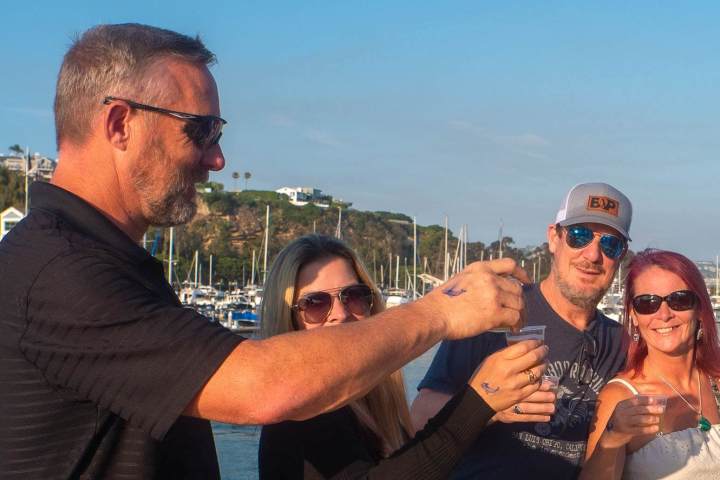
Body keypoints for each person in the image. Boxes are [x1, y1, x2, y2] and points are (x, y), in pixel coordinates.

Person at [0, 24, 530, 479]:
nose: (218, 158)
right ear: (119, 124)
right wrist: (442, 311)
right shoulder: (59, 271)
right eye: (200, 130)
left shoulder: (103, 264)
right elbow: (265, 387)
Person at [257, 234, 550, 479]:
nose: (341, 315)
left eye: (354, 296)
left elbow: (415, 461)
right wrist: (479, 399)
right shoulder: (300, 411)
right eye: (316, 303)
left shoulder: (369, 402)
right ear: (288, 319)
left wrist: (491, 410)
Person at [410, 182, 633, 479]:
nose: (593, 255)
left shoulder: (621, 344)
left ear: (621, 255)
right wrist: (490, 407)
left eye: (610, 244)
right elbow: (419, 415)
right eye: (579, 236)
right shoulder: (496, 313)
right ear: (554, 238)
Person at [581, 249, 720, 479]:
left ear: (699, 308)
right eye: (648, 303)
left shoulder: (714, 377)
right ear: (634, 316)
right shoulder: (621, 397)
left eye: (679, 300)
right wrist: (613, 438)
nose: (664, 315)